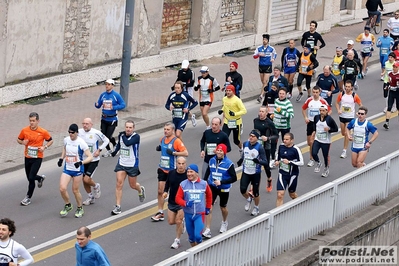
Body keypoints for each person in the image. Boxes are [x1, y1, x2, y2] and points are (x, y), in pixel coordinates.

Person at [153, 122, 188, 221]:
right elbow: (163, 148)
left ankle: (180, 209)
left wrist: (173, 152)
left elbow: (186, 153)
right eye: (164, 129)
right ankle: (160, 212)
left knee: (174, 192)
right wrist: (160, 148)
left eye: (168, 129)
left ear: (173, 130)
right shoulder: (162, 139)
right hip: (162, 168)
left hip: (172, 170)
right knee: (160, 191)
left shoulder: (176, 141)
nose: (165, 131)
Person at [110, 120, 145, 215]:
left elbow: (127, 143)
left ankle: (140, 189)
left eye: (130, 127)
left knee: (132, 185)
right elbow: (119, 145)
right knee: (119, 184)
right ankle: (118, 206)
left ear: (133, 128)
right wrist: (114, 152)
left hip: (132, 164)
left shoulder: (136, 137)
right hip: (121, 163)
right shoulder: (122, 136)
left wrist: (122, 135)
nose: (128, 129)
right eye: (127, 127)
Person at [17, 112, 53, 206]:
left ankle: (28, 197)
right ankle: (40, 178)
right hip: (27, 157)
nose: (31, 123)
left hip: (37, 157)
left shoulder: (43, 131)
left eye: (33, 121)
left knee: (31, 177)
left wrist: (44, 147)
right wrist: (22, 142)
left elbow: (50, 140)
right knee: (29, 178)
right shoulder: (24, 130)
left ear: (38, 121)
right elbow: (18, 139)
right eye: (30, 121)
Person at [57, 124, 93, 218]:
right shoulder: (66, 140)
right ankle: (68, 205)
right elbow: (64, 148)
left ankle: (80, 207)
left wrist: (81, 163)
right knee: (62, 188)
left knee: (75, 190)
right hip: (68, 168)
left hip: (77, 170)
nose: (70, 134)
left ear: (77, 132)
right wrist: (61, 158)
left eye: (72, 132)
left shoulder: (81, 142)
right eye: (69, 132)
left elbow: (90, 157)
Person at [202, 144, 237, 238]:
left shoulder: (229, 163)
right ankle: (208, 229)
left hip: (224, 188)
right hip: (212, 187)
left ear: (224, 152)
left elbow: (234, 178)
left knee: (223, 208)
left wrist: (221, 182)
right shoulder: (212, 160)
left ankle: (224, 222)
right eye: (218, 150)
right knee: (209, 207)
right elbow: (208, 171)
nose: (219, 152)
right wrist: (204, 182)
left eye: (221, 151)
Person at [175, 164, 212, 247]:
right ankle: (195, 255)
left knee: (198, 236)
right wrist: (185, 203)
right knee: (191, 238)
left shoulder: (203, 184)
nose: (189, 174)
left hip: (199, 214)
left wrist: (208, 207)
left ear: (196, 173)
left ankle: (199, 253)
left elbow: (209, 195)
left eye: (191, 172)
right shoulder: (183, 184)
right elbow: (177, 198)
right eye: (188, 172)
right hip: (188, 214)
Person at [79, 118, 109, 206]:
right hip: (83, 160)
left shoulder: (96, 133)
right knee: (84, 180)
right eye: (83, 123)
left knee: (86, 179)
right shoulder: (79, 132)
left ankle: (96, 186)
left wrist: (99, 150)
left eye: (87, 124)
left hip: (93, 160)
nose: (85, 125)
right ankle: (90, 197)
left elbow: (106, 140)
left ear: (91, 124)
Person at [237, 130, 269, 216]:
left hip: (255, 173)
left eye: (253, 136)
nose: (251, 137)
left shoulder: (260, 147)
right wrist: (241, 160)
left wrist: (258, 161)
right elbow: (244, 154)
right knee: (242, 190)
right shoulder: (245, 144)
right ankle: (248, 199)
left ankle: (256, 207)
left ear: (257, 138)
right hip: (246, 172)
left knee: (256, 193)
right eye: (250, 135)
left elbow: (265, 162)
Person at [95, 79, 126, 157]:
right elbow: (98, 105)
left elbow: (123, 104)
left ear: (112, 85)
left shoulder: (116, 95)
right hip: (104, 118)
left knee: (107, 137)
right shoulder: (103, 95)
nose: (107, 86)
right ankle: (110, 149)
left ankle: (113, 147)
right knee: (103, 137)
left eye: (108, 84)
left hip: (112, 119)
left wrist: (114, 107)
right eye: (106, 84)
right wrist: (96, 104)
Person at [162, 157, 188, 249]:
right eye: (179, 163)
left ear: (185, 164)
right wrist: (165, 192)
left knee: (178, 221)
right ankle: (183, 223)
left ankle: (177, 240)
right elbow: (167, 184)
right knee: (171, 222)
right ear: (176, 164)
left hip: (182, 202)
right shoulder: (171, 173)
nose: (181, 165)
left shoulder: (188, 175)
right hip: (172, 201)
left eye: (182, 164)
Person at [301, 86, 331, 167]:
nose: (315, 94)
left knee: (312, 141)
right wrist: (306, 118)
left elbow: (329, 110)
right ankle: (313, 155)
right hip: (310, 123)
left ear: (319, 92)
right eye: (313, 92)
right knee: (309, 142)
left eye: (316, 92)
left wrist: (324, 119)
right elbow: (303, 108)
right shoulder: (309, 100)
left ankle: (312, 159)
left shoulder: (322, 101)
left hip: (318, 124)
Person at [253, 105, 279, 192]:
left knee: (266, 166)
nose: (260, 113)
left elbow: (276, 135)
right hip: (256, 145)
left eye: (263, 112)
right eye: (259, 111)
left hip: (266, 146)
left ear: (266, 113)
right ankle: (253, 187)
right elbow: (255, 131)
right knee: (255, 165)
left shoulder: (269, 123)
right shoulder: (255, 120)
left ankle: (269, 179)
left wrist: (267, 138)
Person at [275, 133, 304, 207]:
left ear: (292, 140)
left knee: (292, 194)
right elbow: (278, 155)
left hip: (292, 175)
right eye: (284, 139)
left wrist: (290, 162)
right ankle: (278, 214)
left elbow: (301, 162)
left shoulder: (296, 149)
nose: (284, 141)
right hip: (282, 173)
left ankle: (299, 204)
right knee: (280, 194)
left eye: (287, 139)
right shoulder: (281, 146)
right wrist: (277, 161)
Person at [335, 80, 363, 159]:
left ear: (352, 87)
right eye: (346, 86)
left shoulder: (354, 96)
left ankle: (344, 150)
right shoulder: (342, 94)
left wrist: (358, 112)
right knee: (343, 133)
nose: (347, 88)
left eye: (348, 87)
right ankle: (349, 137)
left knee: (347, 134)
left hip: (350, 117)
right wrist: (338, 110)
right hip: (342, 116)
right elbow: (336, 103)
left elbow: (360, 104)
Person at [218, 84, 247, 155]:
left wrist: (235, 114)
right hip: (227, 121)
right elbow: (225, 107)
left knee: (236, 141)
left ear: (233, 91)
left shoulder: (237, 100)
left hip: (236, 122)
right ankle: (222, 154)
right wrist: (221, 110)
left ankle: (241, 148)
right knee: (223, 138)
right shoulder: (224, 99)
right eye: (227, 90)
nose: (227, 92)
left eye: (229, 91)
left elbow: (244, 110)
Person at [311, 104, 338, 177]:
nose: (321, 112)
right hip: (317, 139)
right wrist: (314, 131)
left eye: (323, 111)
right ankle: (318, 163)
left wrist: (329, 129)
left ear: (326, 111)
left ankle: (326, 168)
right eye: (320, 111)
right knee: (313, 153)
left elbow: (336, 129)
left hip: (326, 141)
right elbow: (314, 125)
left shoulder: (329, 119)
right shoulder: (316, 117)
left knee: (325, 156)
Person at [273, 87, 295, 167]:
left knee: (285, 142)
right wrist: (273, 116)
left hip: (285, 126)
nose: (281, 95)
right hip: (276, 125)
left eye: (283, 94)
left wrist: (282, 111)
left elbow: (291, 115)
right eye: (280, 93)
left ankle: (287, 158)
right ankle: (275, 158)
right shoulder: (276, 101)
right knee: (273, 142)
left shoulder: (288, 103)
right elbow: (275, 111)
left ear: (286, 95)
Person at [253, 34, 277, 103]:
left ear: (268, 41)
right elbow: (254, 56)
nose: (264, 41)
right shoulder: (259, 48)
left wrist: (273, 59)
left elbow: (275, 54)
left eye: (265, 40)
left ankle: (261, 96)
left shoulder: (271, 48)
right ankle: (266, 90)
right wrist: (258, 55)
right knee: (263, 81)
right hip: (261, 66)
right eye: (263, 39)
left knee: (265, 81)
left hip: (268, 66)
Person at [174, 60, 197, 126]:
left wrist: (184, 84)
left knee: (186, 105)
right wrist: (174, 86)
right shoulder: (180, 71)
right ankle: (191, 116)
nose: (184, 68)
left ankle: (187, 117)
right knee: (181, 105)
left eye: (185, 67)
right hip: (180, 90)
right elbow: (178, 79)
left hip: (188, 90)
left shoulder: (191, 72)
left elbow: (192, 83)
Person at [383, 61, 399, 130]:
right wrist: (387, 86)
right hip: (392, 93)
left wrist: (395, 87)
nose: (394, 68)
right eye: (394, 67)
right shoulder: (390, 74)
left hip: (398, 93)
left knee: (398, 108)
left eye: (396, 67)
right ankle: (387, 122)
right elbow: (388, 82)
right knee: (389, 107)